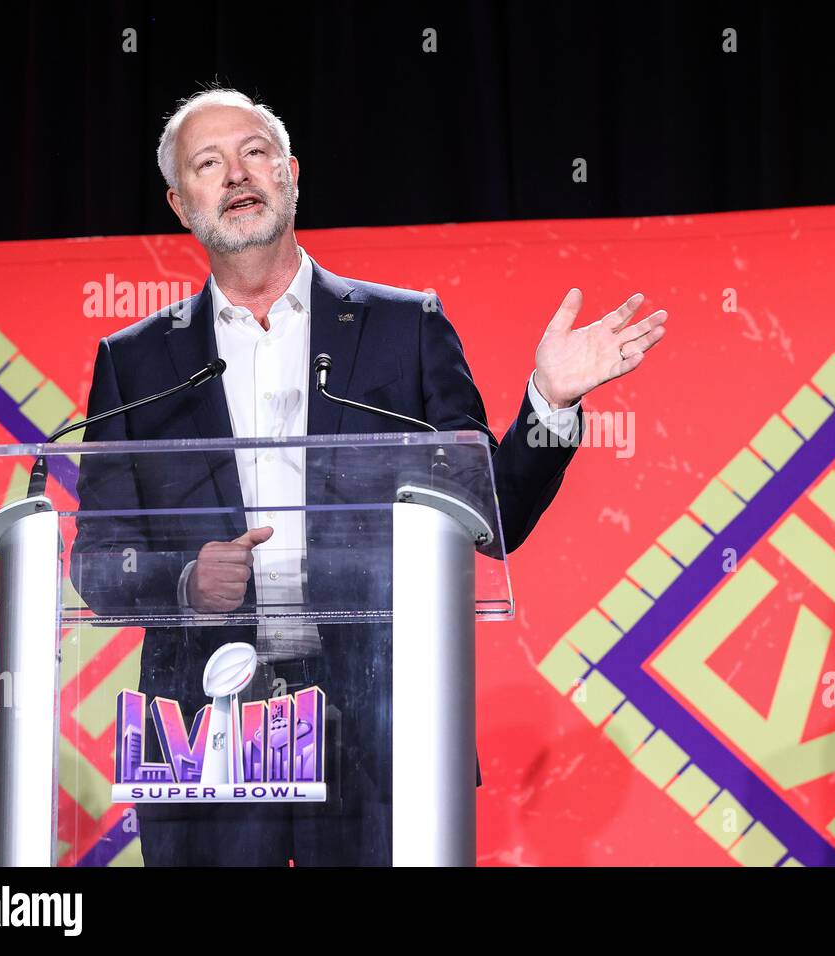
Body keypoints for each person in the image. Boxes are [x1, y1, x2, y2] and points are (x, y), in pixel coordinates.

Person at [69, 88, 668, 865]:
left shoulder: (403, 329)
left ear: (291, 174)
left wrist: (547, 401)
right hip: (205, 725)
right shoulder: (137, 362)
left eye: (255, 153)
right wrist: (185, 582)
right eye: (209, 164)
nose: (237, 175)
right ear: (182, 204)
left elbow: (493, 515)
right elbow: (97, 561)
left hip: (377, 720)